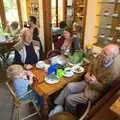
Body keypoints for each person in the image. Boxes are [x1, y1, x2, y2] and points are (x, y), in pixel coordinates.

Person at [49, 44, 120, 116]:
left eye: (105, 53)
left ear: (112, 57)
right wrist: (88, 73)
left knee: (69, 99)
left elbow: (104, 90)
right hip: (88, 81)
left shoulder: (113, 72)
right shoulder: (101, 56)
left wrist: (94, 82)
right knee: (69, 86)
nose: (101, 54)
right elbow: (92, 65)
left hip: (95, 91)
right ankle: (58, 105)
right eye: (102, 51)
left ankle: (69, 115)